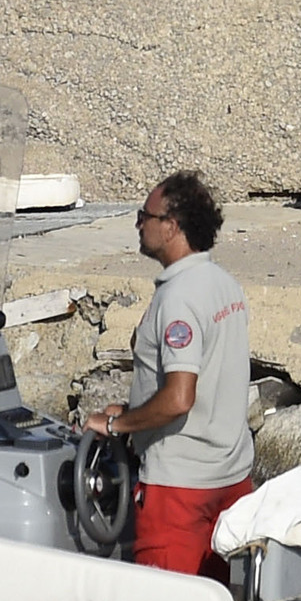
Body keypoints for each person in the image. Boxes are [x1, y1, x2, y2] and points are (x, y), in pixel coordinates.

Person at [84, 171, 252, 579]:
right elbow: (207, 376)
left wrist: (116, 423)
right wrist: (135, 407)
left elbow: (179, 399)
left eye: (145, 215)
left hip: (181, 488)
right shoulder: (224, 285)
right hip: (231, 475)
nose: (139, 224)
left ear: (172, 226)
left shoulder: (179, 298)